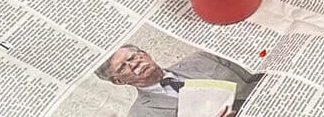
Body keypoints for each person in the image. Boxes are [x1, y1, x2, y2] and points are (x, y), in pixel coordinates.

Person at [96, 45, 262, 117]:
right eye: (122, 67)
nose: (134, 64)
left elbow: (256, 74)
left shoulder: (201, 58)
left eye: (132, 57)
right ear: (118, 81)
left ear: (145, 54)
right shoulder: (140, 115)